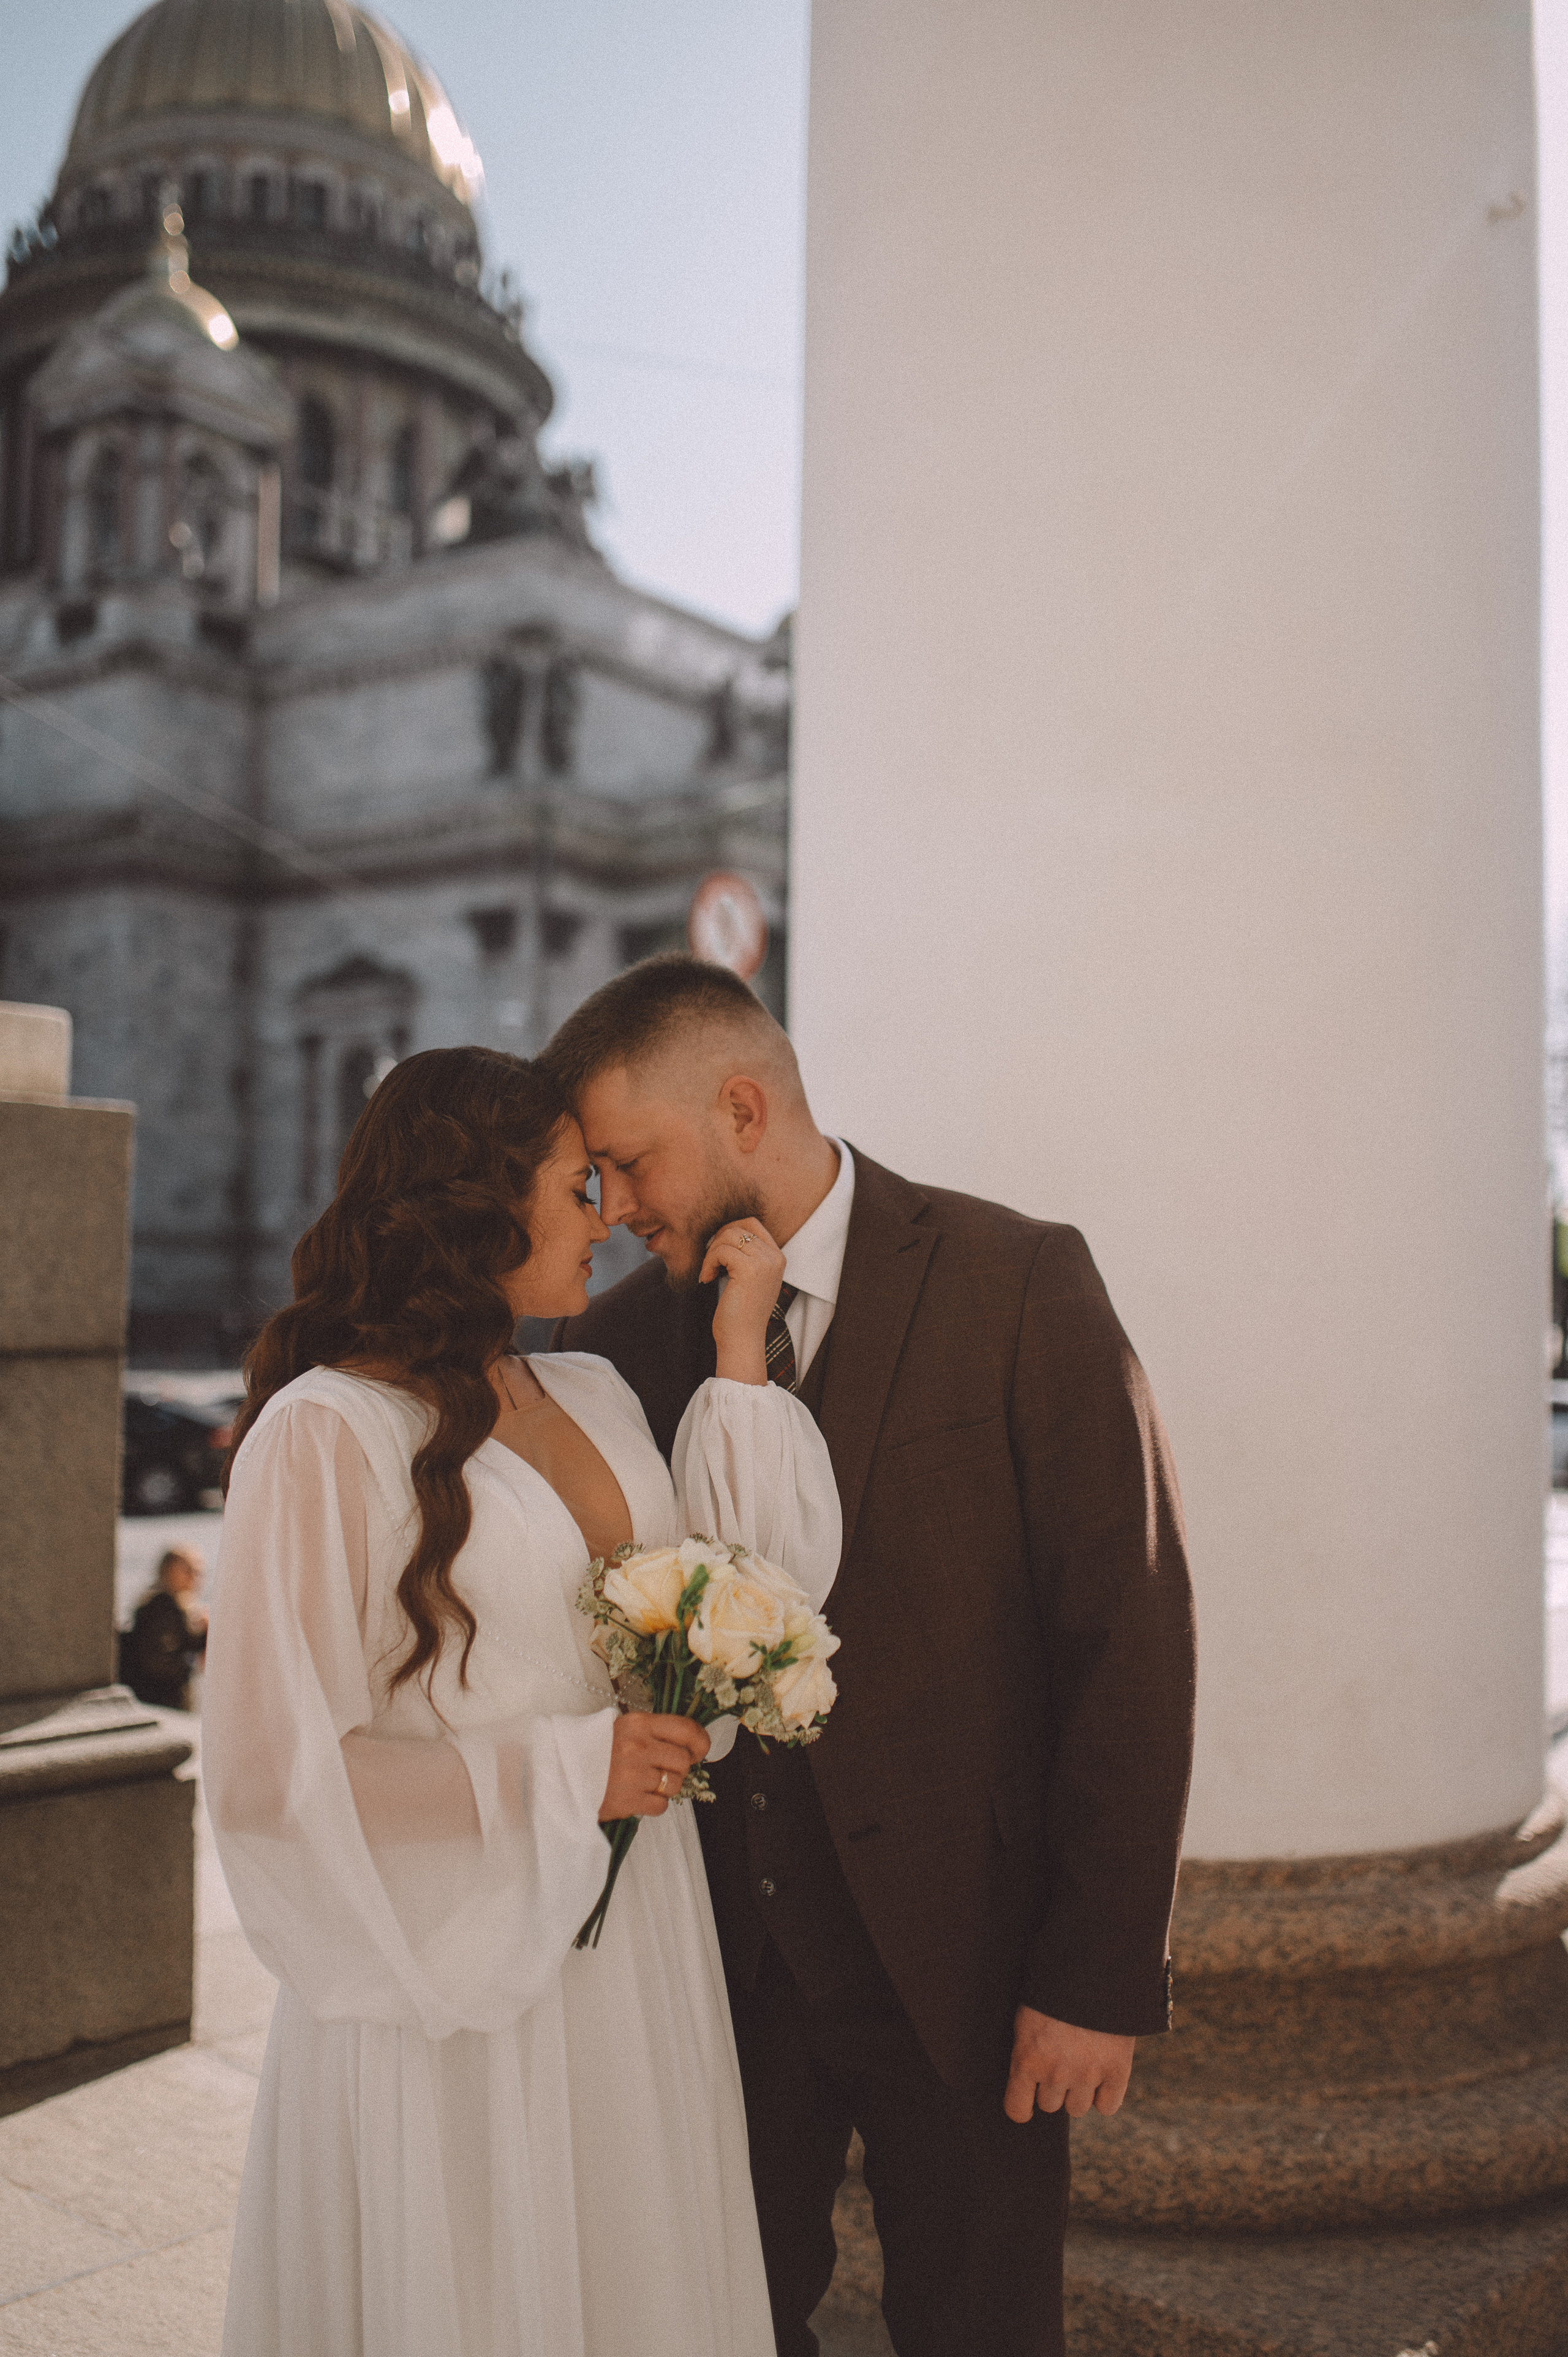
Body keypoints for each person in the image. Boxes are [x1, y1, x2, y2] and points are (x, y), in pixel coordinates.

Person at [545, 957, 1198, 2357]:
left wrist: (1094, 1974)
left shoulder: (1017, 1277)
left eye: (625, 1161)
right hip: (714, 1966)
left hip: (969, 1962)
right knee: (712, 2321)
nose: (613, 1207)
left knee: (979, 2327)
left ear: (738, 1107)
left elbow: (1127, 1638)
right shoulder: (610, 1345)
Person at [202, 1045, 841, 2357]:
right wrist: (564, 1778)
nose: (604, 1217)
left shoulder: (595, 1390)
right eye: (574, 1186)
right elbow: (275, 1774)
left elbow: (741, 1591)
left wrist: (737, 1353)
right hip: (458, 1959)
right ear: (471, 1206)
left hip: (634, 1942)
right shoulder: (326, 1433)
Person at [119, 1546, 208, 1711]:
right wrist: (193, 1660)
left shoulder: (177, 1605)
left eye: (198, 1571)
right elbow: (158, 1660)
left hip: (155, 1699)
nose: (195, 1577)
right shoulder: (161, 1606)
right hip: (159, 1702)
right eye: (188, 1570)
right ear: (169, 1570)